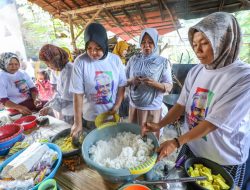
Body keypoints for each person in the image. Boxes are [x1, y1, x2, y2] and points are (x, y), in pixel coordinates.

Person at [142, 12, 250, 188]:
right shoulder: (197, 71)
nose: (197, 50)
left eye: (205, 43)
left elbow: (212, 123)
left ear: (223, 41)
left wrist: (176, 141)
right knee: (180, 185)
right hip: (192, 147)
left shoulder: (243, 77)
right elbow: (180, 105)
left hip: (223, 158)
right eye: (194, 44)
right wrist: (159, 125)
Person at [70, 22, 127, 138]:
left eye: (98, 48)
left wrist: (117, 106)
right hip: (90, 119)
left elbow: (122, 85)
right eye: (89, 48)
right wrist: (77, 123)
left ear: (104, 44)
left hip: (110, 116)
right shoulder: (80, 62)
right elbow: (78, 94)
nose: (93, 53)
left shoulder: (115, 61)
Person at [126, 28, 172, 138]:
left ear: (155, 43)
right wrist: (132, 81)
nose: (146, 45)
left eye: (150, 42)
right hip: (134, 107)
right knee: (133, 137)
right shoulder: (133, 60)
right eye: (143, 42)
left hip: (152, 109)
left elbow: (169, 86)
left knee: (149, 140)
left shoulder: (163, 62)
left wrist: (155, 84)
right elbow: (123, 81)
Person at [39, 44, 74, 125]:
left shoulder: (69, 70)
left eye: (48, 63)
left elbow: (67, 98)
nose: (48, 66)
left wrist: (50, 107)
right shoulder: (58, 69)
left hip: (75, 110)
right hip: (67, 110)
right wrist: (48, 105)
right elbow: (58, 92)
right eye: (46, 64)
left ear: (56, 61)